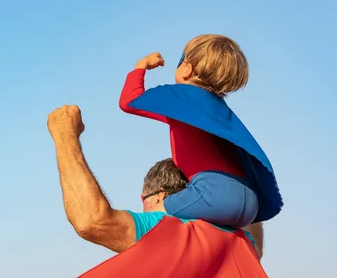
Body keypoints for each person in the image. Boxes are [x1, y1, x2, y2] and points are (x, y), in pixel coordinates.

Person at [47, 104, 263, 259]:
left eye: (143, 199)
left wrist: (65, 135)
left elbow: (91, 221)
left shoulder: (167, 231)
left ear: (158, 195)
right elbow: (252, 229)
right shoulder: (242, 242)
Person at [118, 34, 282, 228]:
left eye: (181, 60)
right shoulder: (217, 110)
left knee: (153, 216)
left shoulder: (181, 95)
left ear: (187, 69)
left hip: (213, 194)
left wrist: (141, 66)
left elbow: (129, 101)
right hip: (249, 204)